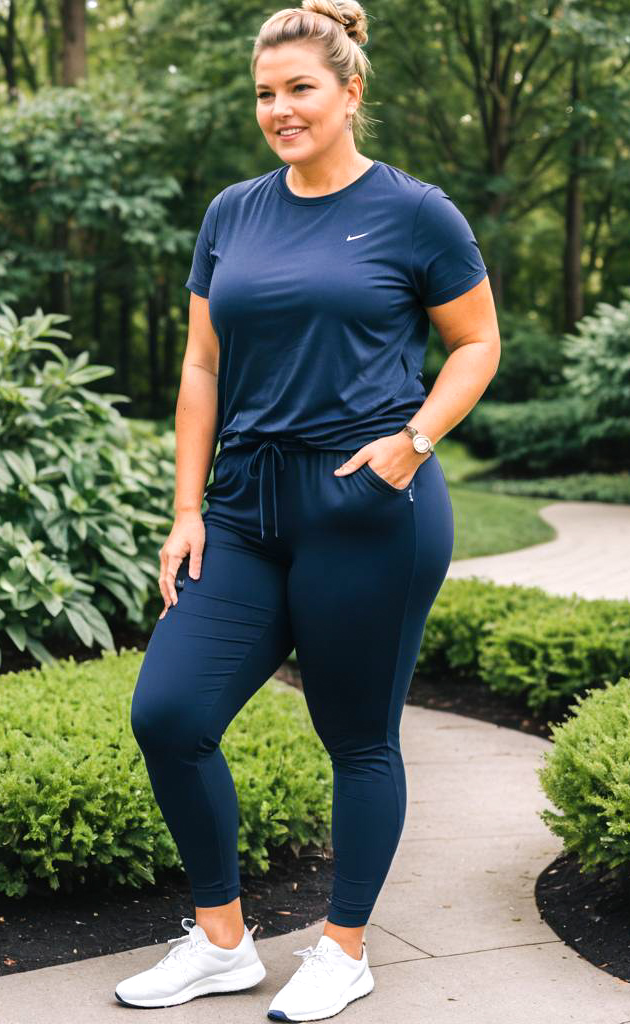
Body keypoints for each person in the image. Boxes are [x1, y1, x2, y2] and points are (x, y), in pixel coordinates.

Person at [115, 0, 501, 1019]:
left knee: (356, 734)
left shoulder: (416, 212)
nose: (278, 109)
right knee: (170, 712)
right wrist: (185, 506)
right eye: (263, 94)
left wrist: (412, 443)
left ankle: (343, 948)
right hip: (242, 508)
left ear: (349, 91)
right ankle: (221, 939)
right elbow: (201, 365)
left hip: (367, 504)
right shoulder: (232, 213)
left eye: (298, 89)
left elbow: (475, 343)